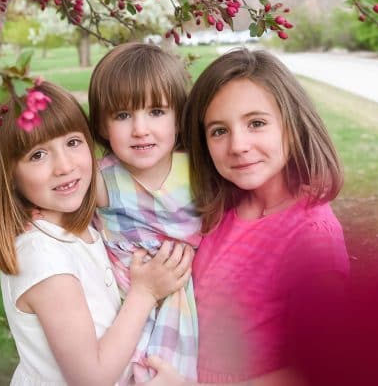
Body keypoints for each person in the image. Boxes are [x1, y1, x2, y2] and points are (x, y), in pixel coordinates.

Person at [0, 81, 194, 386]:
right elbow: (91, 378)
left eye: (73, 142)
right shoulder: (44, 258)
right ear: (7, 174)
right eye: (37, 155)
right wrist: (145, 293)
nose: (65, 166)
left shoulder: (74, 228)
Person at [149, 48, 349, 385]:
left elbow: (321, 368)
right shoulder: (221, 210)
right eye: (219, 131)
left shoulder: (312, 236)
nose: (238, 145)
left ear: (293, 125)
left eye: (256, 123)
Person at [87, 42, 202, 383]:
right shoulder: (103, 178)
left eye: (156, 112)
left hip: (179, 296)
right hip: (126, 297)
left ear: (179, 118)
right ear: (103, 126)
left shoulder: (199, 171)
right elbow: (53, 199)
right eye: (123, 115)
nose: (140, 129)